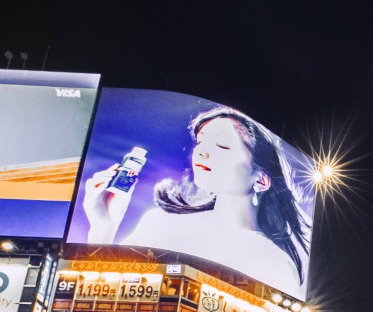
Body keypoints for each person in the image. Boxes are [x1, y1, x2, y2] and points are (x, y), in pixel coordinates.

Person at [81, 105, 311, 296]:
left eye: (222, 145)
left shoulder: (272, 261)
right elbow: (96, 295)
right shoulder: (159, 222)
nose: (201, 152)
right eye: (201, 143)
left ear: (261, 181)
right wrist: (102, 229)